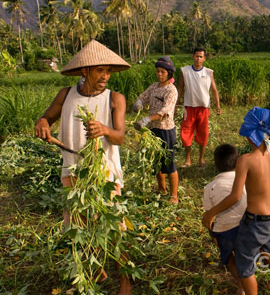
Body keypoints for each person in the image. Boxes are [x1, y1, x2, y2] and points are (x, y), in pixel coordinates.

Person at [34, 39, 132, 295]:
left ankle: (125, 280)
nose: (106, 76)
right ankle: (95, 270)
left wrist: (105, 130)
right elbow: (47, 116)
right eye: (100, 70)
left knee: (113, 226)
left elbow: (120, 136)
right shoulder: (66, 95)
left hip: (105, 172)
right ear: (85, 71)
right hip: (74, 171)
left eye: (108, 71)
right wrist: (43, 123)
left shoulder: (115, 99)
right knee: (80, 225)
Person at [202, 107, 270, 295]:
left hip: (255, 222)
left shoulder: (245, 160)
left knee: (245, 265)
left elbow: (235, 197)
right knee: (267, 249)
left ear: (250, 134)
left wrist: (211, 213)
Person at [133, 55, 179, 204]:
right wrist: (139, 103)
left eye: (162, 72)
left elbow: (165, 112)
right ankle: (161, 189)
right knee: (156, 162)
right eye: (158, 71)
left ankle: (174, 195)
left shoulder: (171, 90)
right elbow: (144, 96)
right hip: (153, 130)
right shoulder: (154, 86)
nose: (159, 74)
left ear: (169, 73)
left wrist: (147, 119)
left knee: (169, 163)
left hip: (165, 130)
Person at [203, 144, 247, 295]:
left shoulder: (210, 187)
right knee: (246, 255)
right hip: (248, 226)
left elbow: (209, 216)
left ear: (216, 164)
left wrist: (212, 235)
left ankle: (241, 286)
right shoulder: (245, 180)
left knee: (230, 258)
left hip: (225, 231)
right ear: (237, 162)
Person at [177, 47, 221, 167]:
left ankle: (201, 159)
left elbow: (214, 89)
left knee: (203, 133)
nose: (198, 59)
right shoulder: (185, 71)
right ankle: (188, 159)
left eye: (201, 56)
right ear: (193, 57)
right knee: (185, 133)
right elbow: (180, 87)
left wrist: (218, 105)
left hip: (203, 107)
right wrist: (176, 103)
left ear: (204, 59)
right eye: (196, 56)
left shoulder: (208, 72)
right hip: (189, 107)